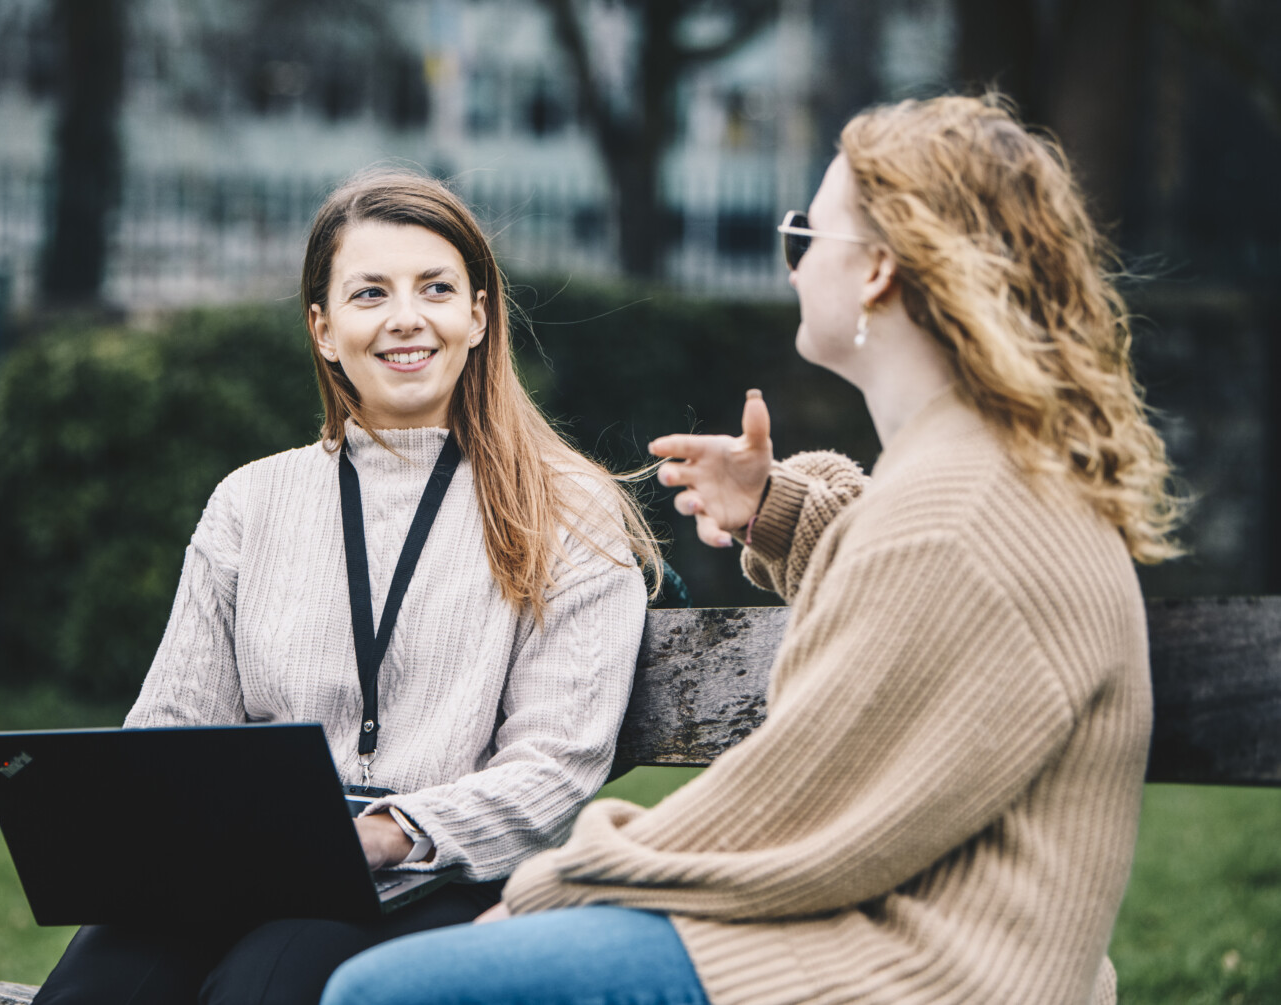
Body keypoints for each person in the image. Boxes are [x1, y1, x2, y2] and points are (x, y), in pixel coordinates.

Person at [319, 94, 1184, 1005]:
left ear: (880, 270)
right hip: (902, 935)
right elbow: (913, 612)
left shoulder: (954, 513)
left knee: (391, 992)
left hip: (910, 969)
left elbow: (782, 808)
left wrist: (550, 891)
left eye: (807, 231)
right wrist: (778, 507)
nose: (793, 258)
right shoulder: (985, 477)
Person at [31, 169, 659, 1005]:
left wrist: (388, 832)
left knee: (265, 982)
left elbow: (555, 767)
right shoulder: (250, 502)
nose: (406, 317)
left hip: (442, 875)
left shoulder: (567, 506)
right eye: (370, 293)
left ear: (477, 313)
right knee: (100, 984)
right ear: (324, 330)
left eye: (435, 287)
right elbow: (172, 730)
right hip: (245, 867)